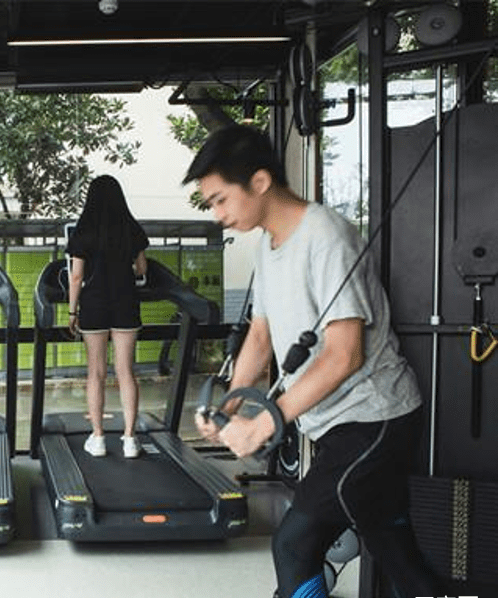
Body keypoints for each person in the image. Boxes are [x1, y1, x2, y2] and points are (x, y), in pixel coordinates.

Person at [184, 125, 437, 598]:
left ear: (260, 182)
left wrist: (264, 424)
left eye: (220, 199)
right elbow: (261, 335)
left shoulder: (326, 236)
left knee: (294, 545)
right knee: (395, 551)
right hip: (339, 425)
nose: (217, 215)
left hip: (374, 419)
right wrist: (228, 408)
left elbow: (345, 354)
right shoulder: (268, 245)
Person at [66, 175, 149, 459]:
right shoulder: (130, 227)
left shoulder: (84, 229)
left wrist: (72, 311)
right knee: (126, 371)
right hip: (125, 301)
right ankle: (130, 440)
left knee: (96, 372)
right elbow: (141, 269)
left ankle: (98, 438)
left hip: (94, 303)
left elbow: (76, 276)